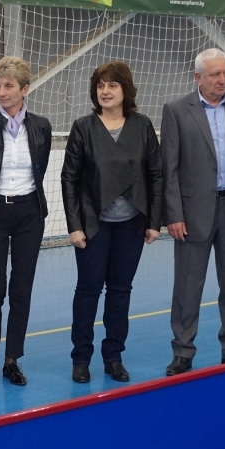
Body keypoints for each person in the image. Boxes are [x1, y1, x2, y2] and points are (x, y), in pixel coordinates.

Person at [161, 48, 225, 376]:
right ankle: (183, 350)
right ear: (198, 78)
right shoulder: (176, 110)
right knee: (187, 287)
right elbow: (169, 168)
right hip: (192, 213)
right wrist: (173, 214)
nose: (222, 80)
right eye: (215, 74)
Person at [61, 61, 163, 384]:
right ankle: (81, 358)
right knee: (88, 290)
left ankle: (114, 356)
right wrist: (74, 225)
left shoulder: (142, 126)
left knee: (120, 291)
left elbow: (156, 175)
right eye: (100, 85)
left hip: (131, 225)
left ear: (125, 90)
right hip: (94, 224)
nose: (105, 91)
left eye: (112, 85)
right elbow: (69, 178)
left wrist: (154, 221)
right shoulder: (83, 128)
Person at [0, 56, 52, 386]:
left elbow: (40, 168)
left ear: (24, 89)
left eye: (9, 86)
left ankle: (13, 358)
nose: (2, 92)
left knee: (21, 289)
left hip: (30, 213)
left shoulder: (41, 127)